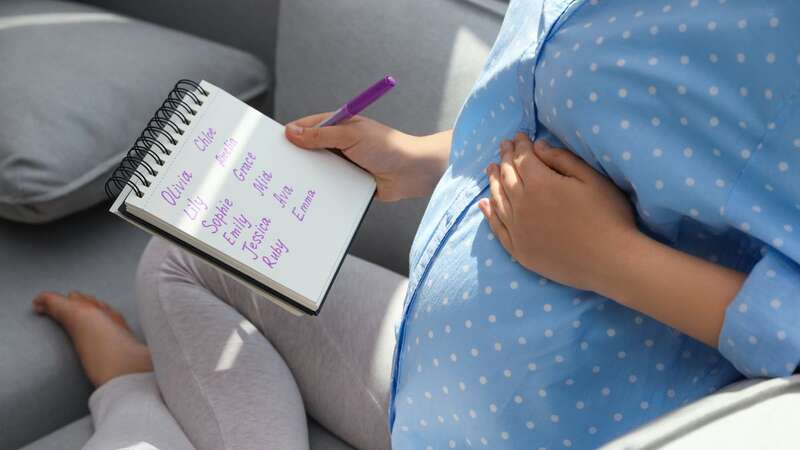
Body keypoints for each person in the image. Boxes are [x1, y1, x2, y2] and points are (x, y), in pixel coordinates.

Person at [34, 0, 799, 449]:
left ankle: (136, 397)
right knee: (183, 254)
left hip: (553, 421)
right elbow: (576, 135)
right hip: (424, 367)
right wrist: (424, 158)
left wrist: (608, 259)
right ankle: (144, 378)